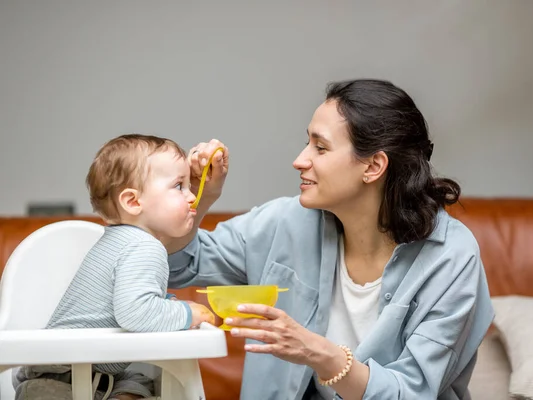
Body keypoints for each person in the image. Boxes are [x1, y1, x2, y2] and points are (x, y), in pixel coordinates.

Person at [167, 79, 494, 399]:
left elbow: (412, 392)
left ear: (374, 166)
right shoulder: (286, 221)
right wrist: (196, 199)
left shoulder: (450, 257)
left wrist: (318, 353)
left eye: (320, 148)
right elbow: (175, 266)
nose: (300, 160)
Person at [14, 134, 217, 400]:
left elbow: (125, 303)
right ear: (133, 202)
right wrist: (187, 313)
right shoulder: (145, 246)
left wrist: (162, 303)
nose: (192, 197)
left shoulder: (120, 239)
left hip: (79, 373)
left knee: (141, 384)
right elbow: (136, 314)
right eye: (179, 186)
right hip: (62, 383)